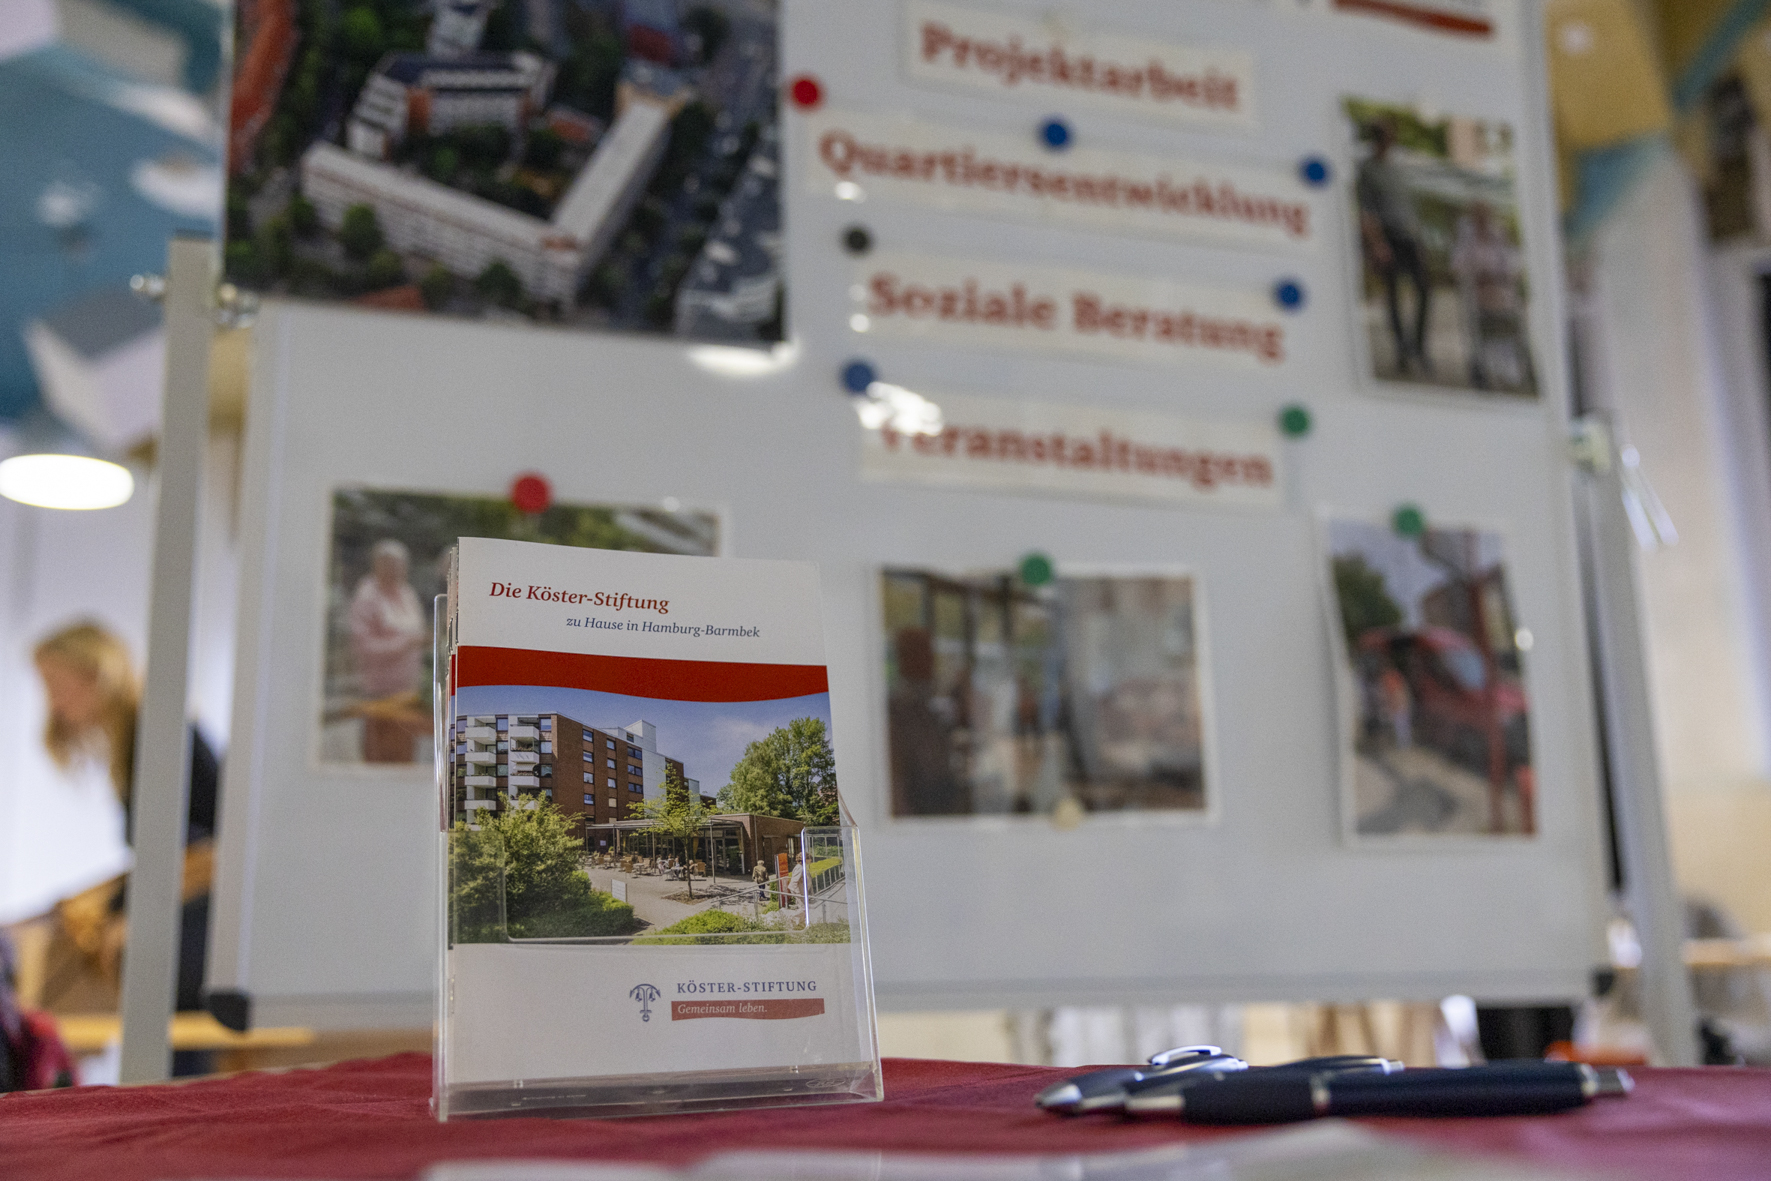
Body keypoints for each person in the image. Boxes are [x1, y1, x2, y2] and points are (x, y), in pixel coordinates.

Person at [31, 623, 218, 1045]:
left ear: (95, 674)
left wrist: (131, 915)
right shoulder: (136, 738)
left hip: (204, 916)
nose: (54, 704)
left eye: (57, 686)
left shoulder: (159, 733)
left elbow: (198, 850)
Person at [1356, 118, 1433, 377]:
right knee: (1393, 295)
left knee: (1424, 289)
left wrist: (1419, 241)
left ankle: (1418, 347)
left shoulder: (1398, 167)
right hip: (1388, 237)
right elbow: (1366, 212)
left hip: (1409, 237)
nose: (1392, 140)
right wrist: (1377, 244)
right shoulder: (1367, 169)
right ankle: (1402, 351)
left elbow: (1410, 209)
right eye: (1388, 136)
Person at [347, 539, 428, 762]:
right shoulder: (366, 598)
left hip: (408, 692)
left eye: (400, 565)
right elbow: (364, 648)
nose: (396, 571)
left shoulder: (407, 593)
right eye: (390, 565)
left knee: (405, 755)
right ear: (377, 565)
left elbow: (417, 632)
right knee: (379, 758)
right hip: (379, 694)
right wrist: (405, 644)